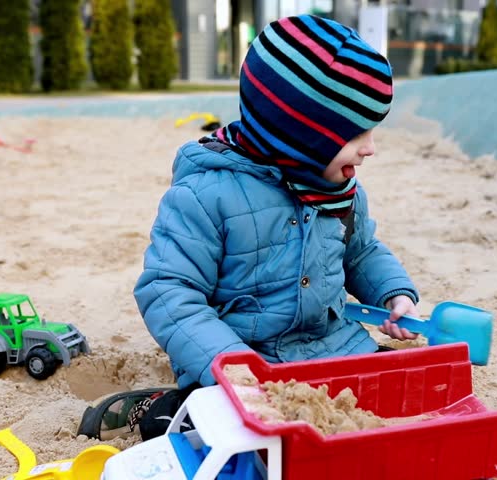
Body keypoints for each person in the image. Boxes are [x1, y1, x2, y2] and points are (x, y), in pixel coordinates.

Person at [132, 14, 420, 440]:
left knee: (408, 391)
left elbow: (360, 252)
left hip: (335, 351)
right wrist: (232, 365)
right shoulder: (205, 196)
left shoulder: (341, 191)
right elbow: (168, 292)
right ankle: (154, 406)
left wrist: (394, 294)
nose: (370, 149)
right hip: (245, 365)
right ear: (301, 134)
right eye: (356, 134)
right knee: (196, 428)